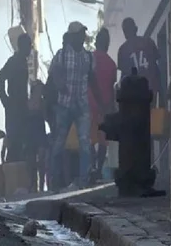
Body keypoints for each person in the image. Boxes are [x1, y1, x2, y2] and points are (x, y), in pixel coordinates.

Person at [48, 21, 108, 190]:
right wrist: (60, 84)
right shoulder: (61, 55)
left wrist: (101, 102)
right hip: (64, 105)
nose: (82, 37)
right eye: (79, 34)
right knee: (59, 143)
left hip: (82, 106)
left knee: (85, 142)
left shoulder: (88, 57)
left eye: (83, 34)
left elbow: (93, 80)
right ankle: (55, 180)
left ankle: (83, 179)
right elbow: (54, 73)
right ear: (72, 36)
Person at [0, 32, 33, 163]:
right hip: (15, 108)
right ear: (22, 46)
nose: (30, 49)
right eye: (29, 46)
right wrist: (5, 100)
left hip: (21, 107)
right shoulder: (14, 61)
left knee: (23, 143)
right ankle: (12, 172)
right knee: (15, 143)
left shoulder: (22, 61)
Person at [90, 27, 117, 178]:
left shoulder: (89, 58)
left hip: (87, 104)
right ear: (107, 44)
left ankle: (90, 168)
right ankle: (98, 169)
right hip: (104, 106)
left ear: (96, 42)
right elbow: (111, 88)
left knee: (88, 139)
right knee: (102, 140)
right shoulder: (112, 64)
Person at [117, 17, 162, 95]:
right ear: (136, 29)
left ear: (124, 32)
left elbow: (124, 75)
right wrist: (161, 89)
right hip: (150, 88)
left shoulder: (123, 50)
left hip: (134, 93)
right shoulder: (149, 42)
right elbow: (157, 67)